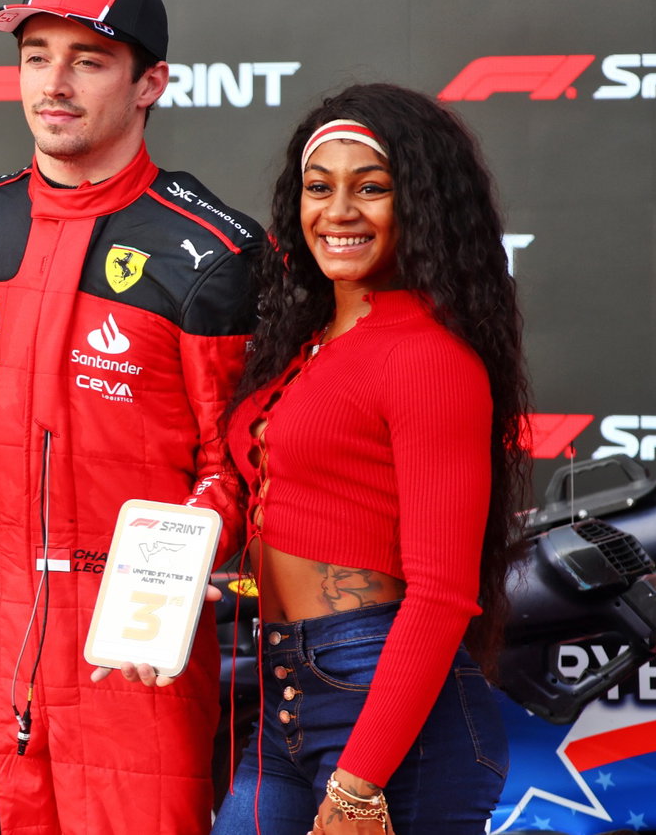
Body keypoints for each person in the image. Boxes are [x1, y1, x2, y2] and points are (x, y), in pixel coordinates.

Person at [0, 0, 262, 835]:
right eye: (36, 54)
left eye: (89, 59)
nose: (54, 83)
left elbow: (243, 464)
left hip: (135, 676)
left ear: (151, 84)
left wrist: (164, 584)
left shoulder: (214, 252)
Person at [210, 83, 528, 834]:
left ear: (418, 205)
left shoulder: (427, 355)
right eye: (320, 189)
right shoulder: (307, 344)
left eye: (371, 188)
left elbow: (443, 593)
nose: (339, 212)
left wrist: (359, 786)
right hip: (287, 688)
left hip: (389, 712)